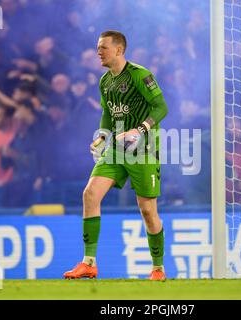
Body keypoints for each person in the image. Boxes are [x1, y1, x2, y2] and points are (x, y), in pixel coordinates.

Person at [63, 30, 168, 281]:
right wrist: (101, 136)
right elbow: (109, 115)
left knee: (147, 210)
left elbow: (161, 107)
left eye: (103, 48)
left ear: (119, 50)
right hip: (116, 150)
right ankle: (88, 262)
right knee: (90, 193)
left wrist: (140, 129)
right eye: (98, 48)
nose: (98, 52)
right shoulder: (105, 81)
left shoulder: (140, 76)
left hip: (143, 150)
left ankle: (158, 268)